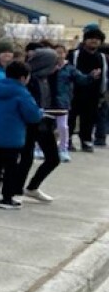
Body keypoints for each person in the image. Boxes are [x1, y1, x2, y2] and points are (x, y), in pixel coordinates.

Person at [0, 59, 42, 207]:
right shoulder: (22, 93)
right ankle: (7, 198)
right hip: (13, 137)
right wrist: (40, 112)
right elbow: (32, 116)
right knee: (11, 168)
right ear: (23, 78)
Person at [17, 41, 67, 201]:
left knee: (53, 158)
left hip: (45, 124)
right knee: (26, 158)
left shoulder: (48, 79)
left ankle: (32, 187)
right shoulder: (28, 81)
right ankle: (15, 190)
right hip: (29, 124)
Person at [67, 25, 107, 153]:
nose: (94, 41)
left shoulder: (101, 57)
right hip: (74, 92)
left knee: (89, 118)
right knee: (71, 118)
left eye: (97, 39)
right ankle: (67, 140)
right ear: (85, 40)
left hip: (93, 94)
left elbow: (104, 75)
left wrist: (102, 92)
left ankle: (86, 140)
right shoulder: (74, 54)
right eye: (91, 38)